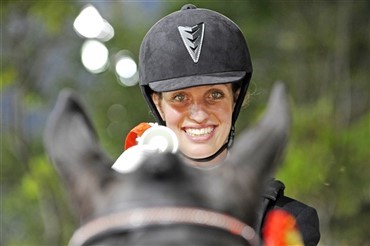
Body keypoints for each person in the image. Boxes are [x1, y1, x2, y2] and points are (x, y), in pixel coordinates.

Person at [137, 4, 320, 245]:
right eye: (180, 97)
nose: (199, 115)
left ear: (235, 97)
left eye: (214, 95)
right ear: (158, 104)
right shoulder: (125, 218)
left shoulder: (290, 222)